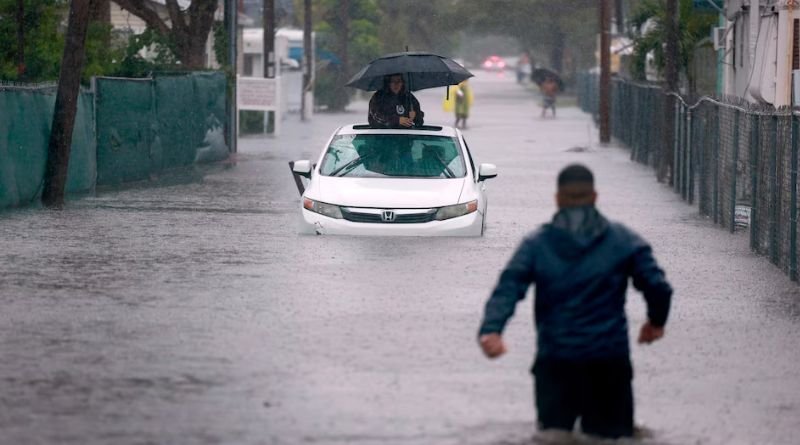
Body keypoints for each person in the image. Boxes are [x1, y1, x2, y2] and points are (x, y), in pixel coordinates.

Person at [477, 164, 672, 440]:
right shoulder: (624, 240)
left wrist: (492, 329)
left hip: (556, 360)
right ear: (595, 196)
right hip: (609, 361)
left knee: (554, 436)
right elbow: (658, 286)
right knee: (612, 437)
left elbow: (509, 287)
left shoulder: (536, 244)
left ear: (557, 199)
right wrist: (655, 322)